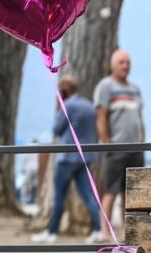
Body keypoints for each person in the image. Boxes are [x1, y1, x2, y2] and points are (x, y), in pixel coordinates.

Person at [31, 76, 102, 244]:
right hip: (84, 157)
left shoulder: (67, 106)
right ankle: (98, 229)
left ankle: (51, 232)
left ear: (63, 91)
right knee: (87, 195)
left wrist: (59, 107)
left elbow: (56, 129)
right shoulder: (89, 106)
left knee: (59, 196)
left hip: (67, 157)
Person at [94, 49, 145, 241]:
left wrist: (143, 143)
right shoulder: (106, 86)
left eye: (128, 62)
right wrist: (107, 144)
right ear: (112, 64)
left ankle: (127, 231)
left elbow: (139, 118)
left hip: (136, 148)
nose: (125, 66)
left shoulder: (135, 89)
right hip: (116, 148)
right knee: (110, 190)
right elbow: (101, 116)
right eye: (121, 62)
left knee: (129, 193)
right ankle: (104, 231)